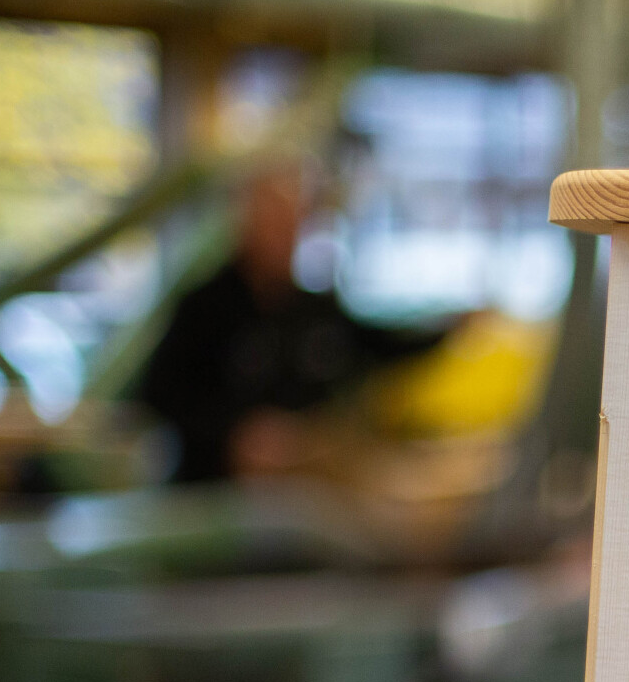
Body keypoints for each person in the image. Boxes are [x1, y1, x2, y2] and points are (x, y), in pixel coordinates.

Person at [137, 160, 430, 483]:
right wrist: (234, 434)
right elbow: (157, 395)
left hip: (306, 484)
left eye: (291, 221)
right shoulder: (203, 308)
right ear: (246, 223)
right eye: (272, 220)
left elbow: (376, 344)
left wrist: (449, 329)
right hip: (221, 490)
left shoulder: (315, 307)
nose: (283, 234)